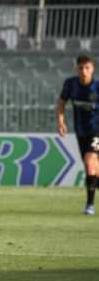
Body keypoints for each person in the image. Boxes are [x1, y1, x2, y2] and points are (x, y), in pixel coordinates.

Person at [57, 54, 99, 215]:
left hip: (97, 130)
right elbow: (61, 103)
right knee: (93, 169)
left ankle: (90, 205)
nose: (84, 71)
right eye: (81, 68)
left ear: (92, 69)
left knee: (89, 163)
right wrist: (61, 122)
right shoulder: (71, 84)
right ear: (76, 69)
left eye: (87, 67)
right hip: (81, 131)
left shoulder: (97, 87)